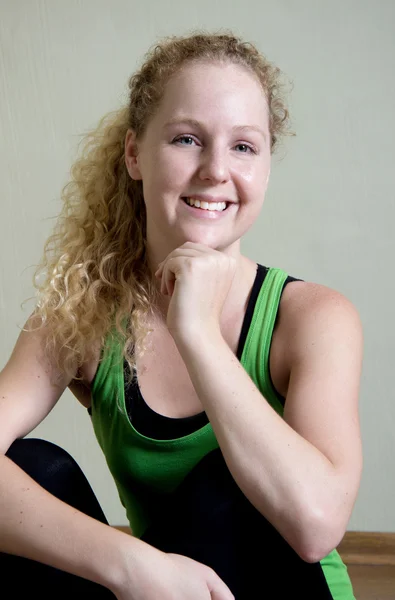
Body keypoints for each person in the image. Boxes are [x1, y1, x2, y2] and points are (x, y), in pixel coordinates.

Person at [0, 30, 363, 599]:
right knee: (33, 466)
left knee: (226, 485)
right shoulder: (81, 312)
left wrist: (197, 332)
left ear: (266, 164)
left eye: (244, 146)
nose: (216, 170)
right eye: (188, 139)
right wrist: (130, 564)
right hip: (166, 590)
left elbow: (316, 526)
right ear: (133, 154)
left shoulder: (313, 317)